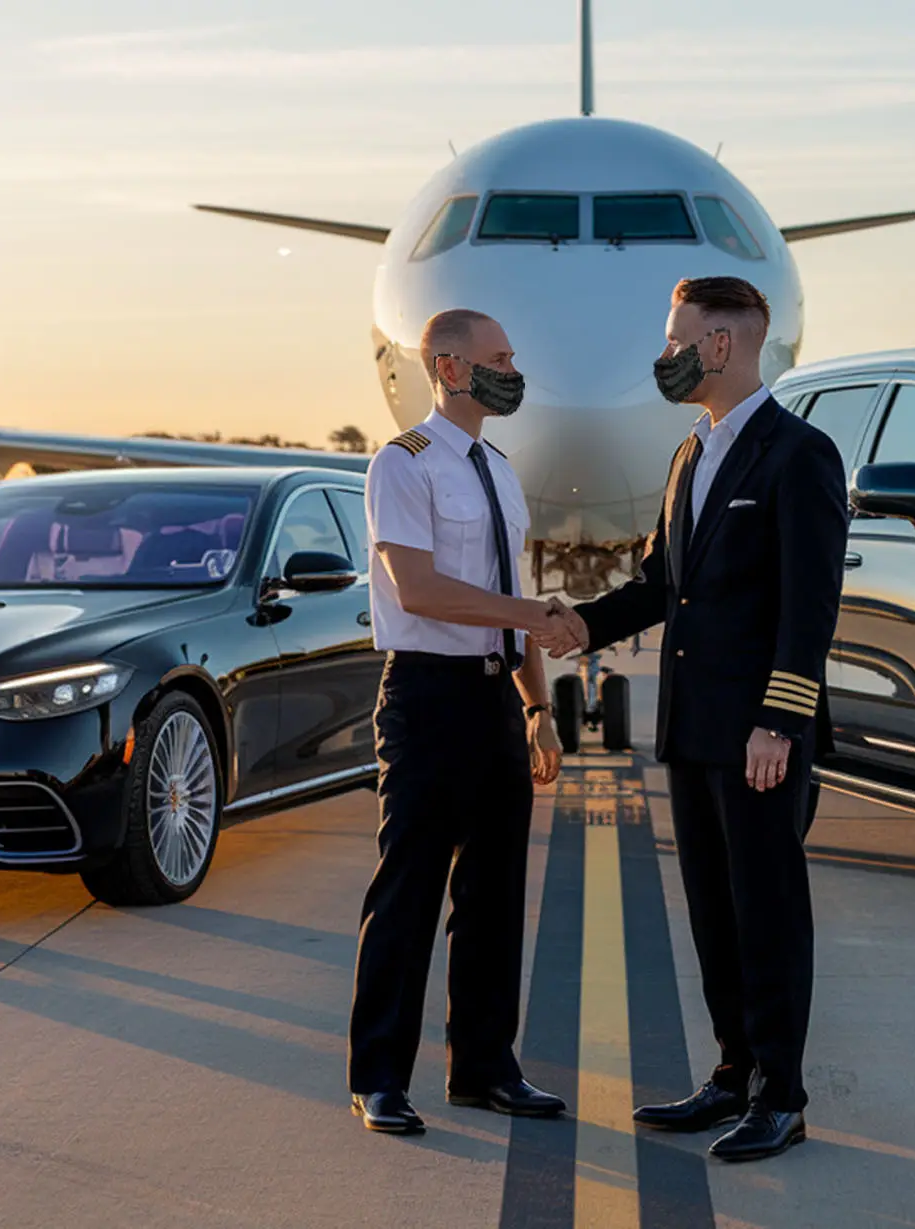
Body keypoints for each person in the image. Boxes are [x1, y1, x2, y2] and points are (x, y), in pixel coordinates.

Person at [546, 276, 849, 1162]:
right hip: (692, 730)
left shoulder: (800, 456)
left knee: (768, 913)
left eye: (676, 339)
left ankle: (781, 1095)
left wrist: (780, 724)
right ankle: (732, 1074)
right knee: (714, 913)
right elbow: (658, 585)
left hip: (758, 737)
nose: (665, 354)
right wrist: (577, 625)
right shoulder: (692, 455)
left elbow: (809, 609)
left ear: (720, 345)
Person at [348, 307, 572, 1134]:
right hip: (427, 698)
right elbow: (422, 591)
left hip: (491, 700)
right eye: (499, 358)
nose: (512, 370)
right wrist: (537, 612)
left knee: (494, 895)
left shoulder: (502, 469)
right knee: (406, 893)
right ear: (449, 368)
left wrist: (539, 707)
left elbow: (508, 610)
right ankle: (379, 1076)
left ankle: (484, 1067)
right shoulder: (403, 465)